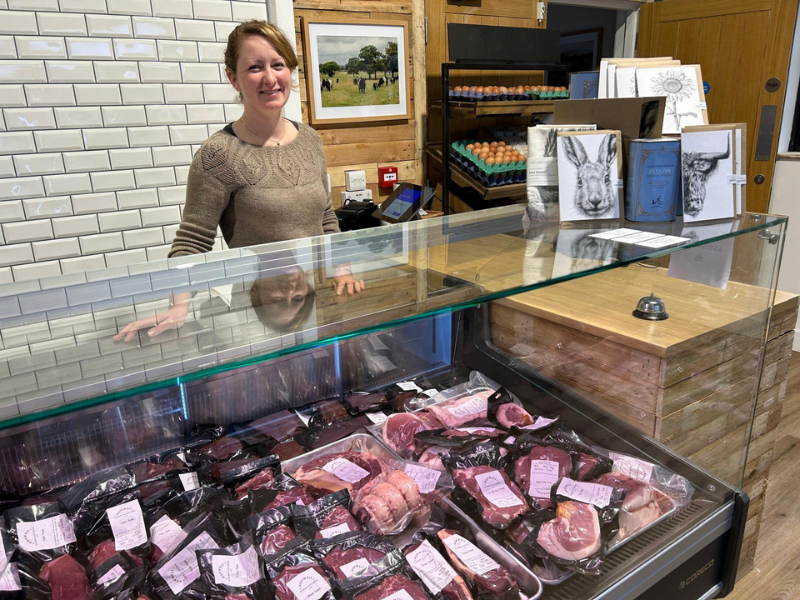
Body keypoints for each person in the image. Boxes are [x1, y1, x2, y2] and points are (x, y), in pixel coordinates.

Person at [115, 20, 363, 343]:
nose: (270, 78)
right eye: (255, 68)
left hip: (309, 297)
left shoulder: (310, 141)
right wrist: (178, 307)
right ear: (233, 78)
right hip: (253, 308)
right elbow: (192, 241)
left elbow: (326, 217)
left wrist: (340, 267)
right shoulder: (218, 154)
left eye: (278, 65)